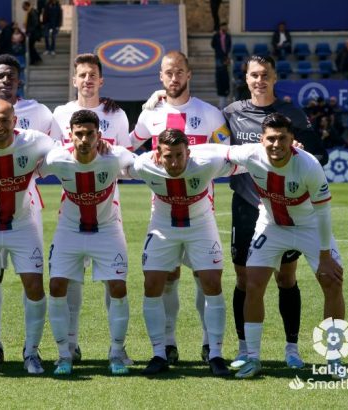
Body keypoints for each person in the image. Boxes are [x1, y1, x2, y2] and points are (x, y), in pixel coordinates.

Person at [223, 55, 328, 372]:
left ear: (274, 78)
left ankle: (292, 348)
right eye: (254, 75)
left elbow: (319, 153)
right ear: (246, 78)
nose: (259, 80)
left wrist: (301, 147)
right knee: (245, 279)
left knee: (286, 277)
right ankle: (245, 349)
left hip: (284, 209)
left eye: (265, 75)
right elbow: (213, 146)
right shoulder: (231, 113)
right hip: (245, 205)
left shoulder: (291, 114)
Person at [227, 113, 344, 379]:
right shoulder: (250, 154)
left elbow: (324, 213)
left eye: (282, 138)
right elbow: (217, 152)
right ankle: (253, 359)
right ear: (261, 139)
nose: (276, 144)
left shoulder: (309, 165)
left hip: (309, 227)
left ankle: (334, 357)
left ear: (293, 140)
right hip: (271, 225)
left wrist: (325, 256)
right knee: (253, 282)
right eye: (271, 138)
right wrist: (183, 151)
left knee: (333, 281)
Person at [133, 51, 231, 365]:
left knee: (207, 279)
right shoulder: (150, 113)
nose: (174, 78)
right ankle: (168, 345)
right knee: (167, 278)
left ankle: (209, 346)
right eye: (168, 73)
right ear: (161, 77)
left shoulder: (211, 113)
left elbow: (226, 156)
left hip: (202, 210)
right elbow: (127, 148)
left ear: (189, 74)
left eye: (179, 72)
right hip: (162, 213)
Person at [0, 54, 53, 365]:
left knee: (32, 280)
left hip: (25, 208)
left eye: (11, 76)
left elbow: (56, 154)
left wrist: (28, 173)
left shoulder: (39, 114)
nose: (5, 81)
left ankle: (32, 351)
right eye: (0, 76)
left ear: (19, 81)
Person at [129, 129, 238, 376]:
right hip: (163, 226)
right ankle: (159, 353)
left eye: (180, 155)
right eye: (169, 156)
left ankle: (216, 354)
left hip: (201, 226)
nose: (175, 162)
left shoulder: (207, 162)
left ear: (189, 152)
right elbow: (120, 165)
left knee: (211, 282)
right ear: (158, 154)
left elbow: (241, 158)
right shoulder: (145, 164)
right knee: (152, 284)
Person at [50, 52, 132, 365]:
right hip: (70, 207)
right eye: (81, 75)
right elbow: (50, 153)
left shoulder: (117, 114)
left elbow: (124, 159)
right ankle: (68, 346)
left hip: (107, 206)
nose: (87, 80)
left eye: (92, 75)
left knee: (115, 282)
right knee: (66, 281)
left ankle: (117, 349)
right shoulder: (60, 113)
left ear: (101, 80)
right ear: (74, 80)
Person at [211, 22, 232, 109]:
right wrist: (218, 51)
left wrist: (227, 56)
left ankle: (225, 97)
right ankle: (221, 99)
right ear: (221, 27)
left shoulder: (228, 36)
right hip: (219, 57)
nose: (225, 28)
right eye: (224, 26)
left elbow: (229, 46)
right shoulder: (216, 36)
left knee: (225, 75)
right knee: (220, 75)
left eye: (226, 26)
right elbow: (213, 45)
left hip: (225, 57)